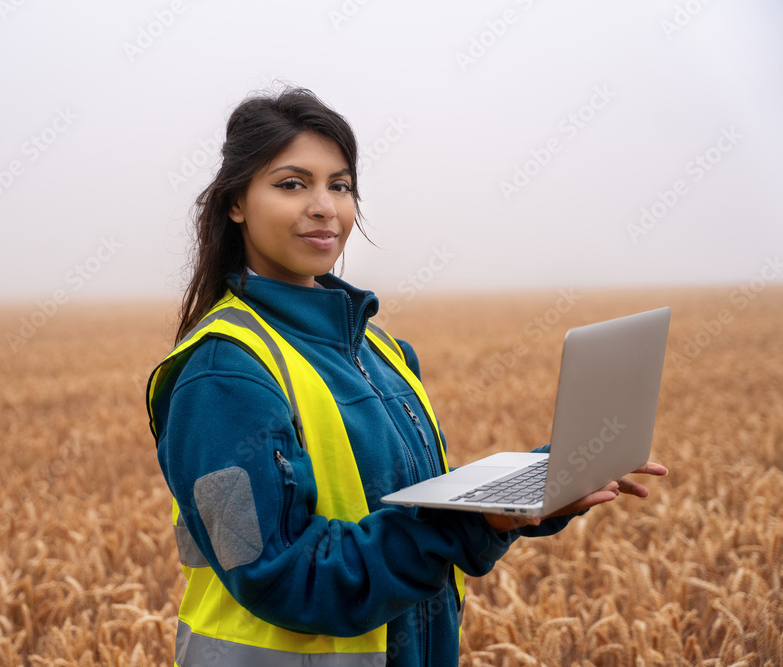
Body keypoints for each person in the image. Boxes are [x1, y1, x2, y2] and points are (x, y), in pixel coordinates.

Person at [145, 86, 667, 667]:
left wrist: (550, 478)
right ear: (235, 203)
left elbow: (412, 508)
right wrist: (463, 524)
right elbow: (278, 574)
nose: (325, 207)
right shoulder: (221, 376)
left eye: (339, 185)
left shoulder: (380, 348)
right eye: (292, 184)